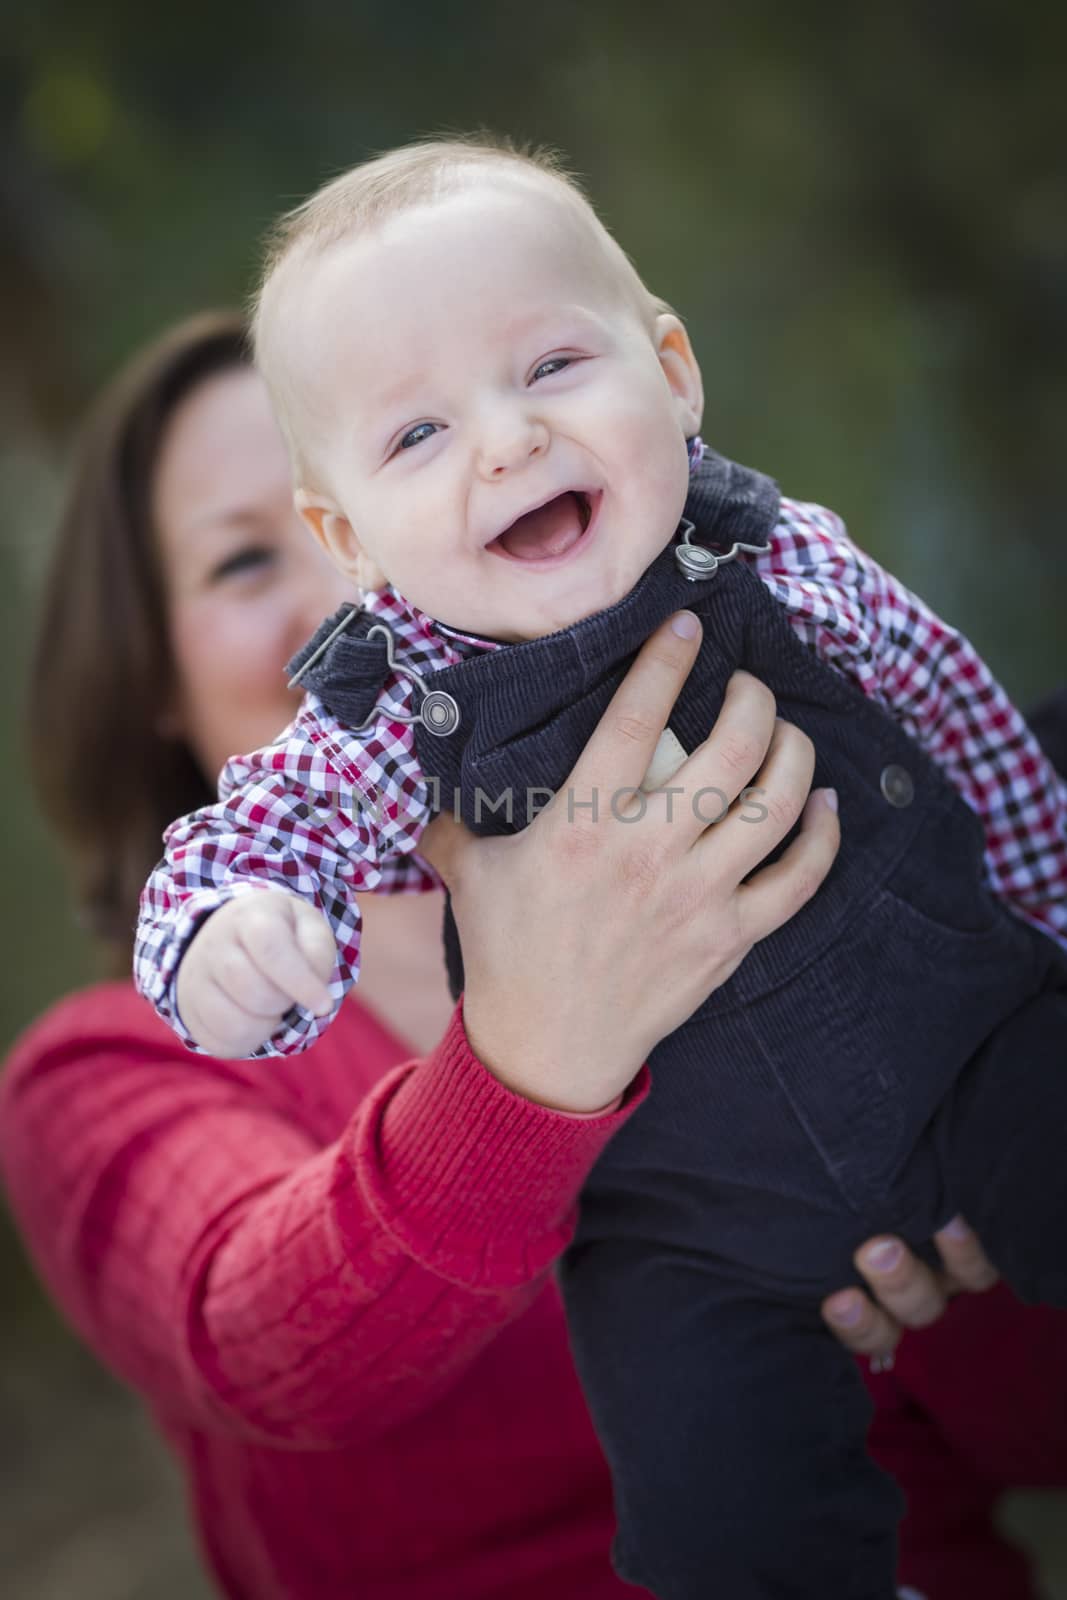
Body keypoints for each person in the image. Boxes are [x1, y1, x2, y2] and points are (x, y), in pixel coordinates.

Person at [130, 142, 1067, 1598]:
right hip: (693, 1230)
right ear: (349, 542)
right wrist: (238, 927)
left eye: (554, 365)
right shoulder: (399, 707)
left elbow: (958, 710)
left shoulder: (780, 559)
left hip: (962, 1044)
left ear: (672, 372)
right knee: (715, 1506)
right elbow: (266, 832)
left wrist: (1044, 900)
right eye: (418, 437)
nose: (505, 442)